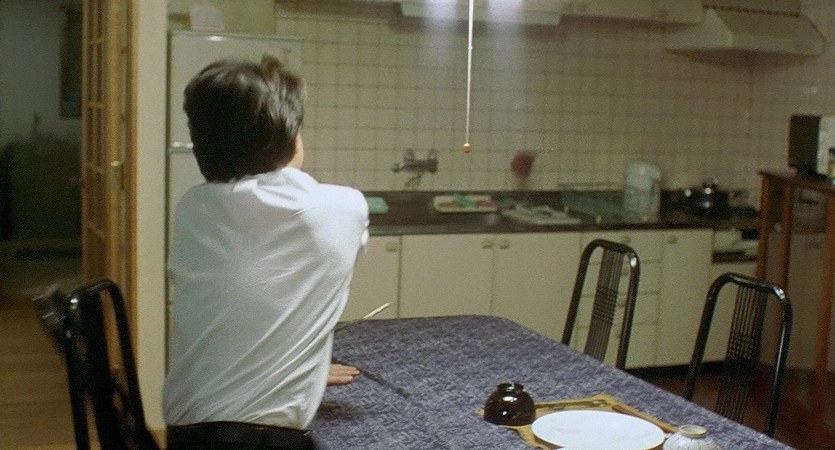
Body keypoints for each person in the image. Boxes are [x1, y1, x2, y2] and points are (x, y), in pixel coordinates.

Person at [163, 55, 369, 449]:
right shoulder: (343, 208)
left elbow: (245, 307)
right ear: (289, 138)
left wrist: (298, 371)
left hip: (186, 433)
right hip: (267, 442)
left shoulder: (193, 208)